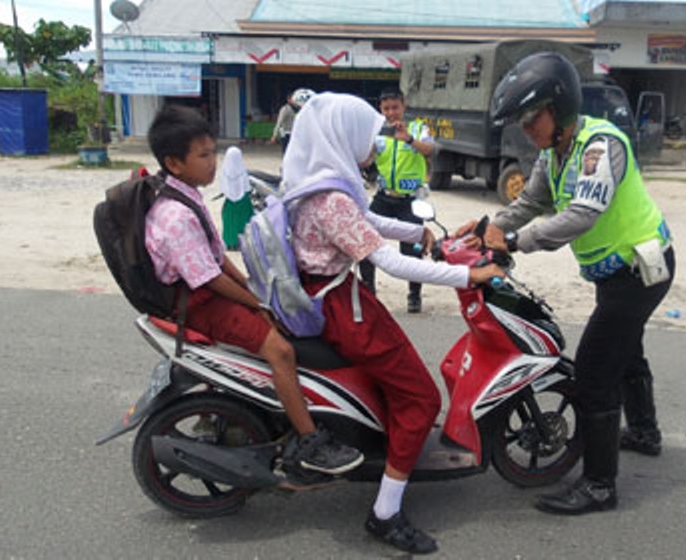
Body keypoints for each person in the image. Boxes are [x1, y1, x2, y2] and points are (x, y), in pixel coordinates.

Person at [282, 92, 503, 554]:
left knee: (398, 386)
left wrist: (416, 231)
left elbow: (366, 220)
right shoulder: (330, 198)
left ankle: (388, 444)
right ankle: (385, 513)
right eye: (368, 137)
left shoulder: (317, 180)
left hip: (336, 297)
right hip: (345, 308)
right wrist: (468, 274)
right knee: (421, 399)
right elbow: (391, 265)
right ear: (342, 136)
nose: (374, 145)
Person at [457, 52, 675, 515]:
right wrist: (486, 228)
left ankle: (599, 486)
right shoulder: (555, 154)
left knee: (596, 372)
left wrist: (512, 242)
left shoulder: (600, 146)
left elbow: (581, 215)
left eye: (532, 117)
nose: (526, 127)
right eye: (522, 120)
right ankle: (644, 431)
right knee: (626, 347)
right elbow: (529, 203)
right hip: (617, 270)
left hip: (640, 270)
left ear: (560, 107)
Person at [144, 105, 362, 476]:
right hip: (198, 304)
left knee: (280, 323)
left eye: (213, 152)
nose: (212, 162)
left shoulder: (186, 195)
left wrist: (253, 290)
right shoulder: (176, 214)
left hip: (205, 292)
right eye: (203, 155)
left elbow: (216, 257)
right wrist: (257, 302)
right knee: (280, 350)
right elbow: (208, 279)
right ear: (175, 163)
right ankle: (309, 441)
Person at [358, 87, 436, 313]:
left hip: (410, 201)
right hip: (383, 197)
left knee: (412, 250)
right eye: (386, 108)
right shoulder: (377, 132)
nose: (391, 112)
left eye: (395, 107)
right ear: (380, 110)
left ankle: (414, 295)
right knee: (365, 241)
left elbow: (430, 150)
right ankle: (369, 291)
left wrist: (409, 139)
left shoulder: (418, 128)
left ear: (404, 107)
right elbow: (365, 159)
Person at [219, 146, 254, 251]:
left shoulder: (225, 172)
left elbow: (223, 188)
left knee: (229, 222)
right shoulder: (242, 171)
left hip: (230, 202)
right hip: (243, 201)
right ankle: (243, 242)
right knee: (243, 220)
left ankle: (230, 243)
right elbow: (247, 187)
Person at [270, 88, 315, 154]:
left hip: (294, 132)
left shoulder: (299, 109)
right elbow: (279, 122)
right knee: (286, 150)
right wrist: (274, 135)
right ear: (288, 100)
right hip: (285, 133)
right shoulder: (285, 109)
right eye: (292, 99)